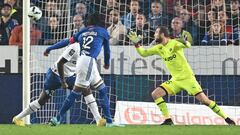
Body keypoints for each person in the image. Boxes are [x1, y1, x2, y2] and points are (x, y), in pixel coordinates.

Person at [127, 26, 236, 125]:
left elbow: (187, 45)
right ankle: (168, 119)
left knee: (205, 101)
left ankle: (227, 119)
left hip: (188, 78)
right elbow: (144, 53)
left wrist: (185, 42)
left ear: (162, 34)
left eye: (156, 32)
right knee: (155, 94)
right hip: (175, 80)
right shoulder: (159, 48)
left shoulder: (174, 43)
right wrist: (136, 44)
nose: (154, 35)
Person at [44, 13, 123, 127]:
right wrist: (106, 63)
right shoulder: (103, 31)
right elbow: (107, 50)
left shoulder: (82, 31)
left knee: (102, 89)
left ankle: (109, 121)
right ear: (100, 21)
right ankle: (57, 118)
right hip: (88, 61)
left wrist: (50, 48)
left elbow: (67, 41)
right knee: (76, 92)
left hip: (85, 61)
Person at [12, 43, 106, 127]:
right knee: (42, 100)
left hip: (69, 76)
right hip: (54, 75)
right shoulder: (75, 47)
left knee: (86, 89)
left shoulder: (90, 52)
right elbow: (60, 63)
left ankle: (98, 120)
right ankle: (17, 118)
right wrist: (63, 81)